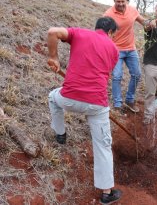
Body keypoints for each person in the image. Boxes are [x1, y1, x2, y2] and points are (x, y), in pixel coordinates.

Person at [47, 17, 122, 204]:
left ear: (96, 28)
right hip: (96, 105)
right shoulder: (114, 50)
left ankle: (60, 134)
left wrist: (53, 57)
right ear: (111, 32)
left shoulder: (79, 33)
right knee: (103, 146)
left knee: (52, 97)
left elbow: (52, 32)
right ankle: (106, 193)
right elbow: (104, 72)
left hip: (68, 99)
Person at [104, 0, 147, 114]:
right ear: (114, 0)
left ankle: (129, 100)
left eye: (123, 1)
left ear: (126, 0)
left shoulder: (132, 10)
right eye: (118, 1)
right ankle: (117, 104)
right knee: (117, 76)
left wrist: (151, 23)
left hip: (130, 49)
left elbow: (144, 22)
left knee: (137, 74)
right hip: (116, 50)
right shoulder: (108, 14)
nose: (121, 4)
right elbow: (102, 32)